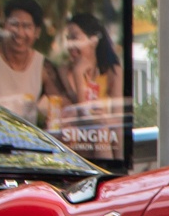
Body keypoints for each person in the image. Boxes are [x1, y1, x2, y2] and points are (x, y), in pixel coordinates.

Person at [41, 12, 127, 164]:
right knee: (99, 130)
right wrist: (78, 74)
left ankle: (117, 169)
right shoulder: (62, 73)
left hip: (107, 140)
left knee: (101, 130)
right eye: (68, 38)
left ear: (93, 41)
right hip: (76, 143)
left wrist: (103, 118)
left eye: (75, 38)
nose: (70, 44)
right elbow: (84, 113)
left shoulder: (112, 72)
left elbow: (119, 120)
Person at [0, 0, 47, 123]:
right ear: (4, 25)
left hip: (26, 140)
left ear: (37, 32)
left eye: (26, 26)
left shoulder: (41, 65)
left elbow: (59, 101)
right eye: (14, 24)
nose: (19, 33)